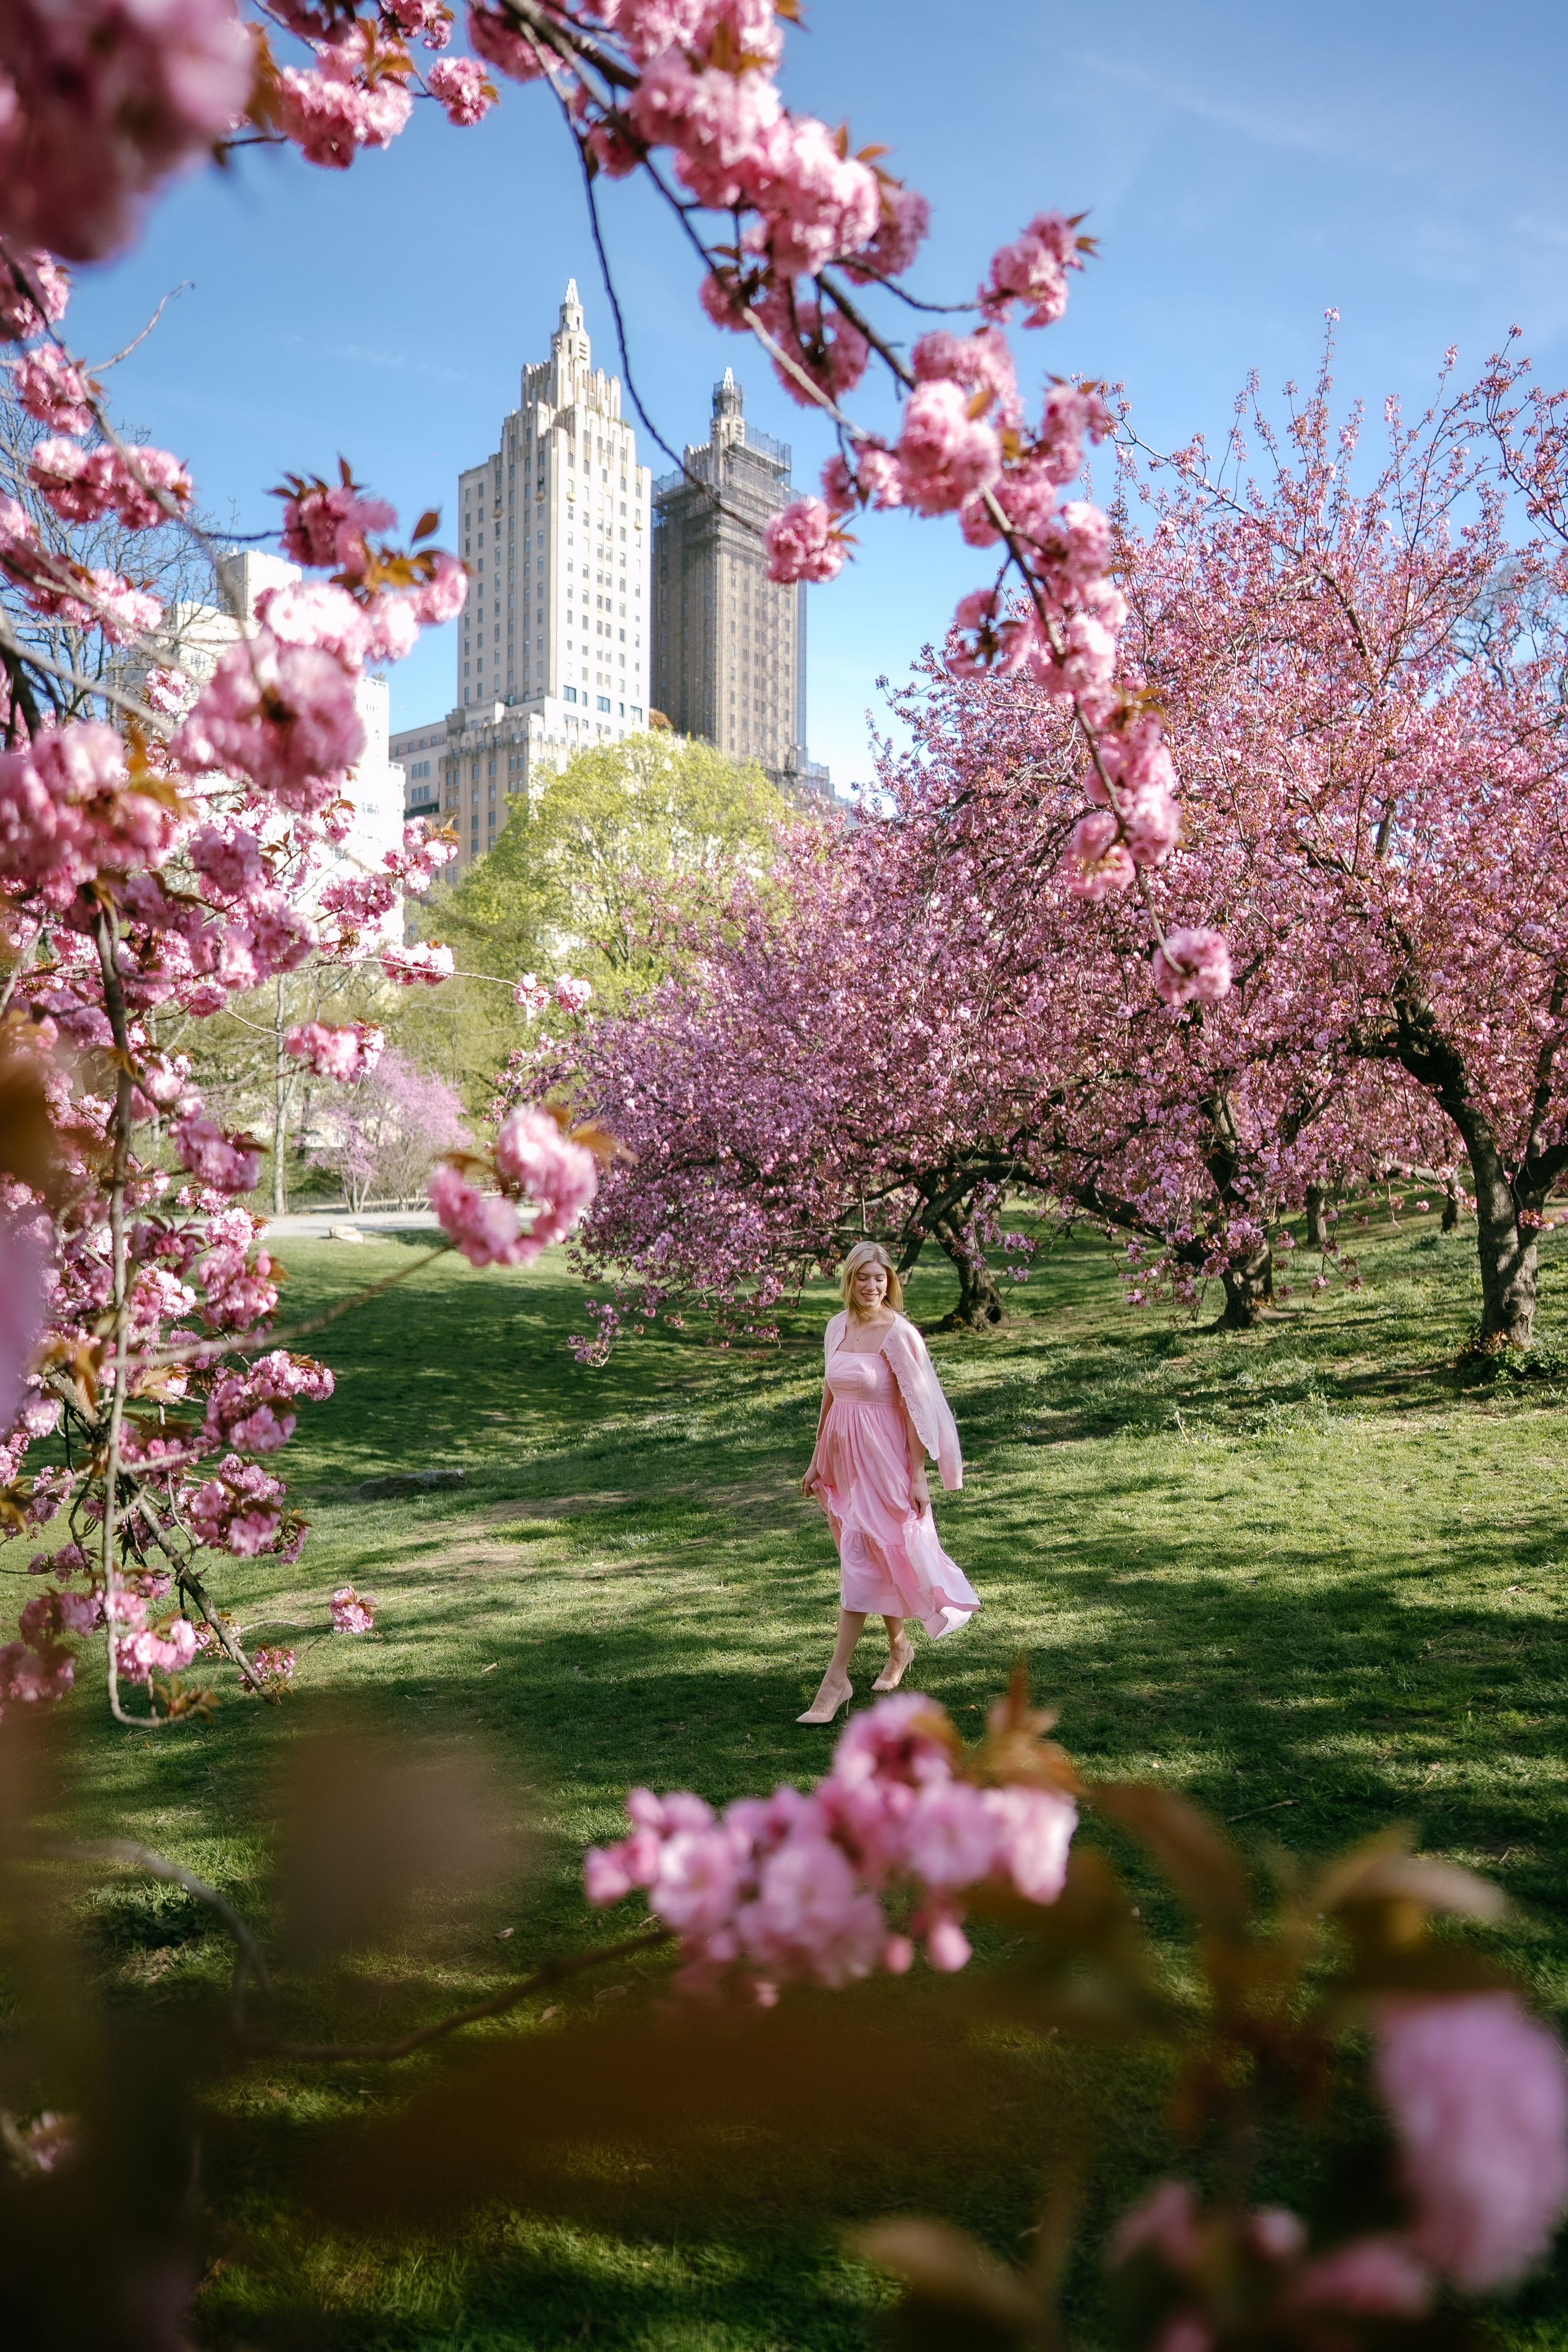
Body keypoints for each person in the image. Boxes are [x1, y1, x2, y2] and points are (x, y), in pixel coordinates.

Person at [797, 1239, 979, 1723]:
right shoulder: (836, 1326)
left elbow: (916, 1408)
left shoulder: (899, 1334)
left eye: (880, 1278)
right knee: (869, 1558)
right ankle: (900, 1649)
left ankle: (835, 1682)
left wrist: (919, 1476)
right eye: (863, 1278)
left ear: (890, 1283)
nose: (871, 1286)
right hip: (844, 1459)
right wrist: (818, 1460)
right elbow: (830, 1398)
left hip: (885, 1460)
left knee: (863, 1559)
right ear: (849, 1281)